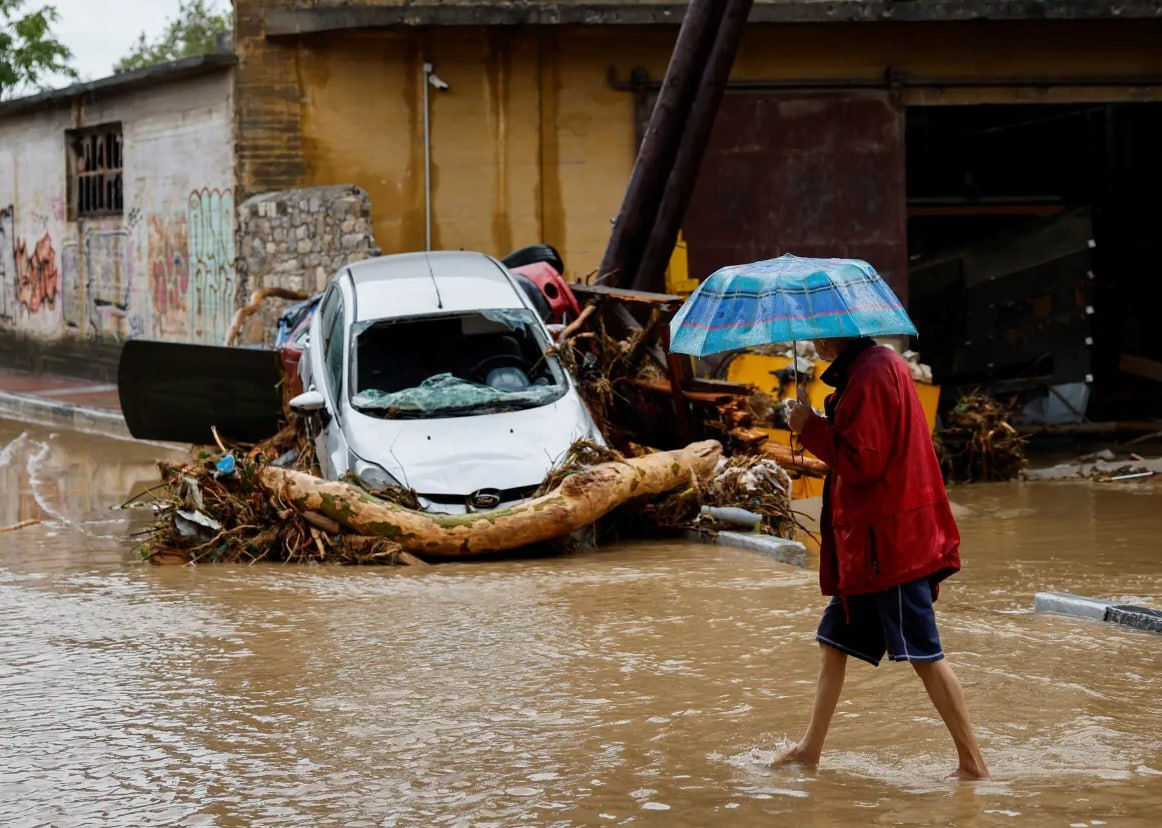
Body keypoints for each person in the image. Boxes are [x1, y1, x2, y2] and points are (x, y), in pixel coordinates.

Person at [779, 336, 989, 780]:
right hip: (873, 546)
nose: (814, 339)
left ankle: (973, 764)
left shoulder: (871, 374)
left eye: (819, 331)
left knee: (924, 655)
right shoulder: (872, 368)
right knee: (832, 642)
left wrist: (810, 428)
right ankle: (809, 750)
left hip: (889, 546)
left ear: (836, 332)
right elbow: (863, 444)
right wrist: (818, 421)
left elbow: (863, 463)